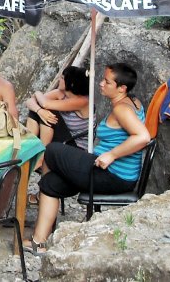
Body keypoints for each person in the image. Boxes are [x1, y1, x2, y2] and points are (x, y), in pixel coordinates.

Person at [25, 62, 151, 254]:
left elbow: (143, 137)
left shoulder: (122, 109)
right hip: (107, 172)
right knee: (51, 182)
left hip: (112, 175)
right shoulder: (132, 101)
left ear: (121, 88)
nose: (101, 84)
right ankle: (38, 242)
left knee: (52, 150)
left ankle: (41, 200)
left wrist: (111, 154)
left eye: (107, 82)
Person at [25, 66, 91, 149]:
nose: (59, 79)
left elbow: (45, 104)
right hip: (62, 136)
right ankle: (27, 146)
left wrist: (37, 93)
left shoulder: (83, 101)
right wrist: (39, 111)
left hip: (75, 145)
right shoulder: (60, 93)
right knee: (36, 110)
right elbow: (29, 102)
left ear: (71, 84)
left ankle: (41, 153)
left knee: (49, 111)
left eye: (62, 78)